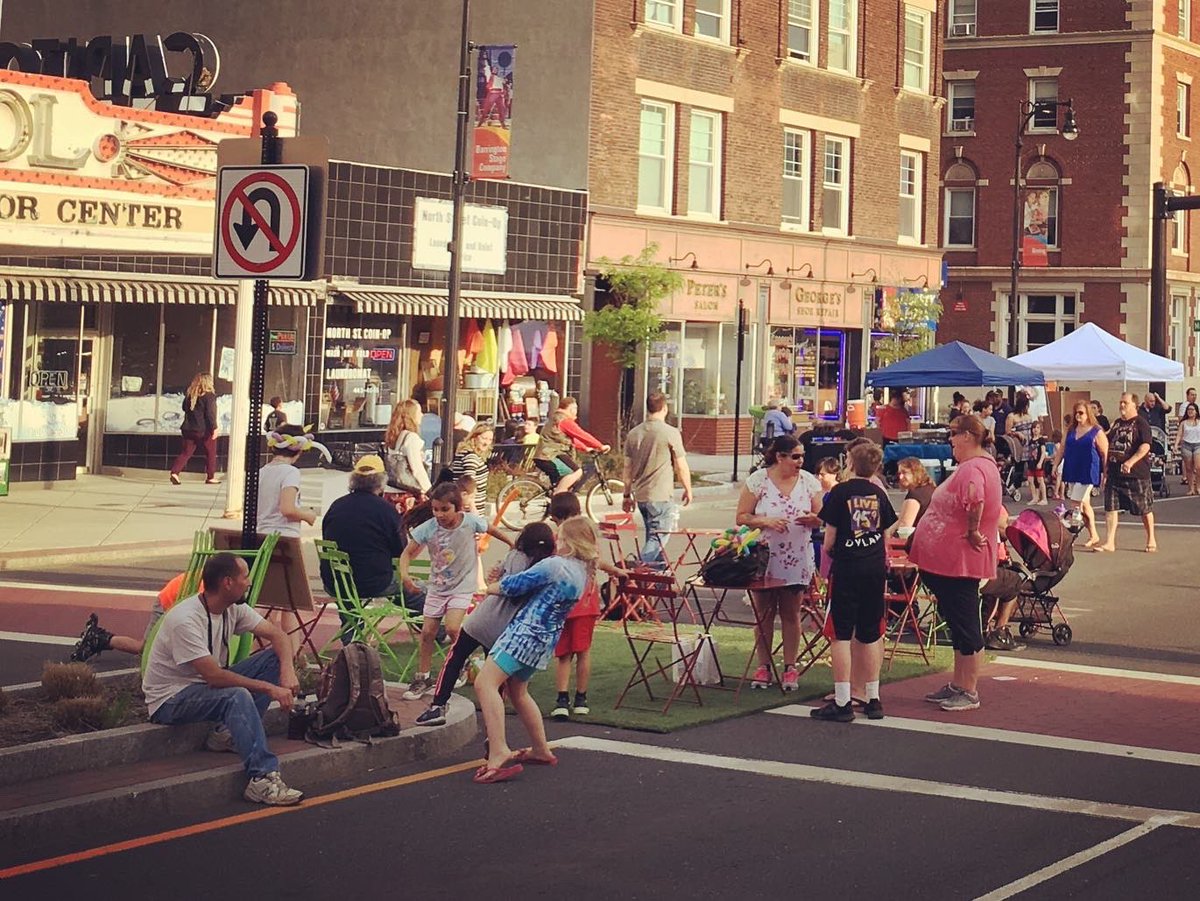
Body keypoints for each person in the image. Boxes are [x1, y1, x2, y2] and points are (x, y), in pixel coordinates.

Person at [142, 553, 303, 806]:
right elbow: (214, 677)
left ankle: (225, 734)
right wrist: (270, 689)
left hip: (202, 689)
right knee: (236, 695)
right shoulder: (185, 619)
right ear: (227, 583)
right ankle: (261, 779)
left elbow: (278, 636)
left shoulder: (233, 608)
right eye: (245, 577)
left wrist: (287, 670)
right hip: (170, 700)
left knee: (273, 658)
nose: (249, 583)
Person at [472, 516, 599, 783]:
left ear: (571, 542)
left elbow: (515, 585)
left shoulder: (555, 565)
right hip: (544, 640)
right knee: (518, 691)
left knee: (485, 683)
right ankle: (541, 749)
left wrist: (488, 588)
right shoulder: (582, 573)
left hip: (523, 635)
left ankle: (498, 750)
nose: (557, 542)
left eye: (561, 538)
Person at [415, 521, 557, 727]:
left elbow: (501, 577)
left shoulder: (516, 556)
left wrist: (496, 577)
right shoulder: (547, 568)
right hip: (507, 628)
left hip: (483, 619)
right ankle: (494, 723)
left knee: (456, 657)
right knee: (496, 676)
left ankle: (438, 705)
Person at [909, 414, 1003, 712]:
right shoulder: (979, 465)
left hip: (959, 561)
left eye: (953, 434)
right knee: (959, 622)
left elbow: (975, 499)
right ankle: (960, 683)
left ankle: (969, 689)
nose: (950, 440)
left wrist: (973, 530)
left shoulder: (974, 468)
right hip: (949, 560)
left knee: (966, 624)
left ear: (967, 437)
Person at [398, 482, 513, 700]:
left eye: (444, 509)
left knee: (452, 628)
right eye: (435, 509)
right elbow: (407, 553)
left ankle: (461, 661)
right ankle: (422, 677)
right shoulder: (429, 528)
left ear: (457, 508)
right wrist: (405, 575)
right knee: (427, 633)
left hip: (462, 586)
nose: (439, 514)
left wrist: (511, 543)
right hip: (437, 586)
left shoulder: (469, 522)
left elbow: (490, 527)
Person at [811, 441, 897, 722]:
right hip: (873, 569)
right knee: (871, 633)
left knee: (841, 634)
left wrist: (832, 551)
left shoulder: (840, 492)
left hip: (847, 568)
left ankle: (843, 699)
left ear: (850, 463)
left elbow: (829, 539)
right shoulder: (879, 494)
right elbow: (886, 533)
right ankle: (873, 698)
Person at [735, 434, 824, 691]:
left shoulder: (809, 482)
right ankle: (763, 666)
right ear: (780, 457)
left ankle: (790, 666)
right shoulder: (759, 481)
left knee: (791, 612)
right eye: (795, 456)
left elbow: (821, 515)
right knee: (763, 612)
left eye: (803, 456)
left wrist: (813, 519)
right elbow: (741, 516)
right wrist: (765, 521)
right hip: (764, 555)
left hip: (796, 555)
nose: (800, 461)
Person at [320, 455, 408, 636]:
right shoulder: (386, 510)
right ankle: (437, 633)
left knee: (348, 596)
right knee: (414, 590)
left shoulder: (337, 506)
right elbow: (401, 549)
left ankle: (352, 640)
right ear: (381, 482)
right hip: (374, 581)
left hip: (337, 581)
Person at [622, 391, 693, 565]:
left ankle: (657, 583)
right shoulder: (670, 432)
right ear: (665, 408)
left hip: (641, 496)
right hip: (661, 495)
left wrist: (626, 494)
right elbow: (680, 465)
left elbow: (627, 468)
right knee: (658, 539)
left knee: (653, 538)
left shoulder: (634, 433)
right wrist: (688, 489)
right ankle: (636, 570)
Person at [69, 572, 200, 662]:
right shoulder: (211, 582)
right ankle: (100, 639)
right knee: (145, 648)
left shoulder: (214, 573)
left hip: (177, 605)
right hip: (166, 603)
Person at [1098, 393, 1156, 553]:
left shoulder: (1141, 423)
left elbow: (1145, 446)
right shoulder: (1116, 424)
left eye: (1125, 402)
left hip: (1136, 474)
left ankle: (1151, 538)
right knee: (1110, 508)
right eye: (1120, 402)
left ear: (1134, 405)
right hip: (1115, 473)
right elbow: (1105, 439)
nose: (1122, 405)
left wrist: (1130, 462)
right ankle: (1110, 542)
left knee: (1144, 509)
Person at [1053, 401, 1108, 547]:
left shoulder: (1096, 431)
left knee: (1076, 502)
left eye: (1081, 413)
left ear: (1088, 414)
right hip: (1073, 469)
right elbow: (1062, 449)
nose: (1078, 415)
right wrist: (1055, 465)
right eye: (1076, 413)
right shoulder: (1071, 431)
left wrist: (1105, 473)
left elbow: (1104, 453)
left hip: (1088, 471)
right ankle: (1094, 534)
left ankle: (1071, 532)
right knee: (1084, 504)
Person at [533, 397, 610, 494]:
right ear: (570, 409)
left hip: (545, 454)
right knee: (576, 472)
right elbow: (581, 434)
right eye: (575, 408)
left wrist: (586, 448)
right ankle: (559, 495)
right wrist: (600, 446)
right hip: (549, 456)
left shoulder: (555, 418)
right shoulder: (564, 421)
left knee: (563, 479)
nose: (576, 411)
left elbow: (569, 440)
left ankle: (554, 503)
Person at [258, 425, 320, 538]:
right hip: (283, 535)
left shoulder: (261, 472)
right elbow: (287, 509)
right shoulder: (290, 472)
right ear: (299, 450)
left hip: (261, 533)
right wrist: (307, 516)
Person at [169, 372, 219, 485]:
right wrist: (214, 428)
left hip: (188, 429)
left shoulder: (190, 395)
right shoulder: (209, 396)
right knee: (210, 452)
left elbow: (184, 408)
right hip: (203, 430)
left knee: (186, 452)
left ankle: (175, 472)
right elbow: (210, 414)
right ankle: (210, 477)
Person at [384, 398, 432, 495]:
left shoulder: (395, 437)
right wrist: (429, 491)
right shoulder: (411, 438)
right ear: (411, 416)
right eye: (419, 412)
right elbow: (417, 469)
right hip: (410, 492)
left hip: (393, 491)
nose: (422, 415)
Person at [450, 424, 494, 511]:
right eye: (484, 438)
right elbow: (469, 485)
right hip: (470, 508)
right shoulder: (471, 457)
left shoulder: (465, 453)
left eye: (490, 440)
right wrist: (473, 509)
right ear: (474, 437)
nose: (487, 443)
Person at [1004, 392, 1037, 502]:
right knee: (1019, 467)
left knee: (1033, 467)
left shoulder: (1029, 416)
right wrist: (1017, 434)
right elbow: (1007, 432)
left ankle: (1036, 490)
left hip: (1030, 443)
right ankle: (1013, 486)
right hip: (1019, 444)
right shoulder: (1012, 416)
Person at [895, 457, 934, 534]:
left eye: (904, 472)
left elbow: (904, 527)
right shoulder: (931, 488)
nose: (900, 477)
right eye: (899, 473)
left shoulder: (914, 496)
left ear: (915, 473)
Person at [1174, 402, 1200, 495]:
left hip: (1198, 445)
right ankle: (1191, 488)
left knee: (1198, 467)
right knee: (1189, 468)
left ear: (1196, 411)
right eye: (1188, 410)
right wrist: (1176, 445)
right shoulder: (1183, 423)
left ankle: (1198, 486)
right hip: (1186, 445)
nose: (1190, 411)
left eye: (1192, 410)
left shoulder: (1199, 422)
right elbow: (1179, 435)